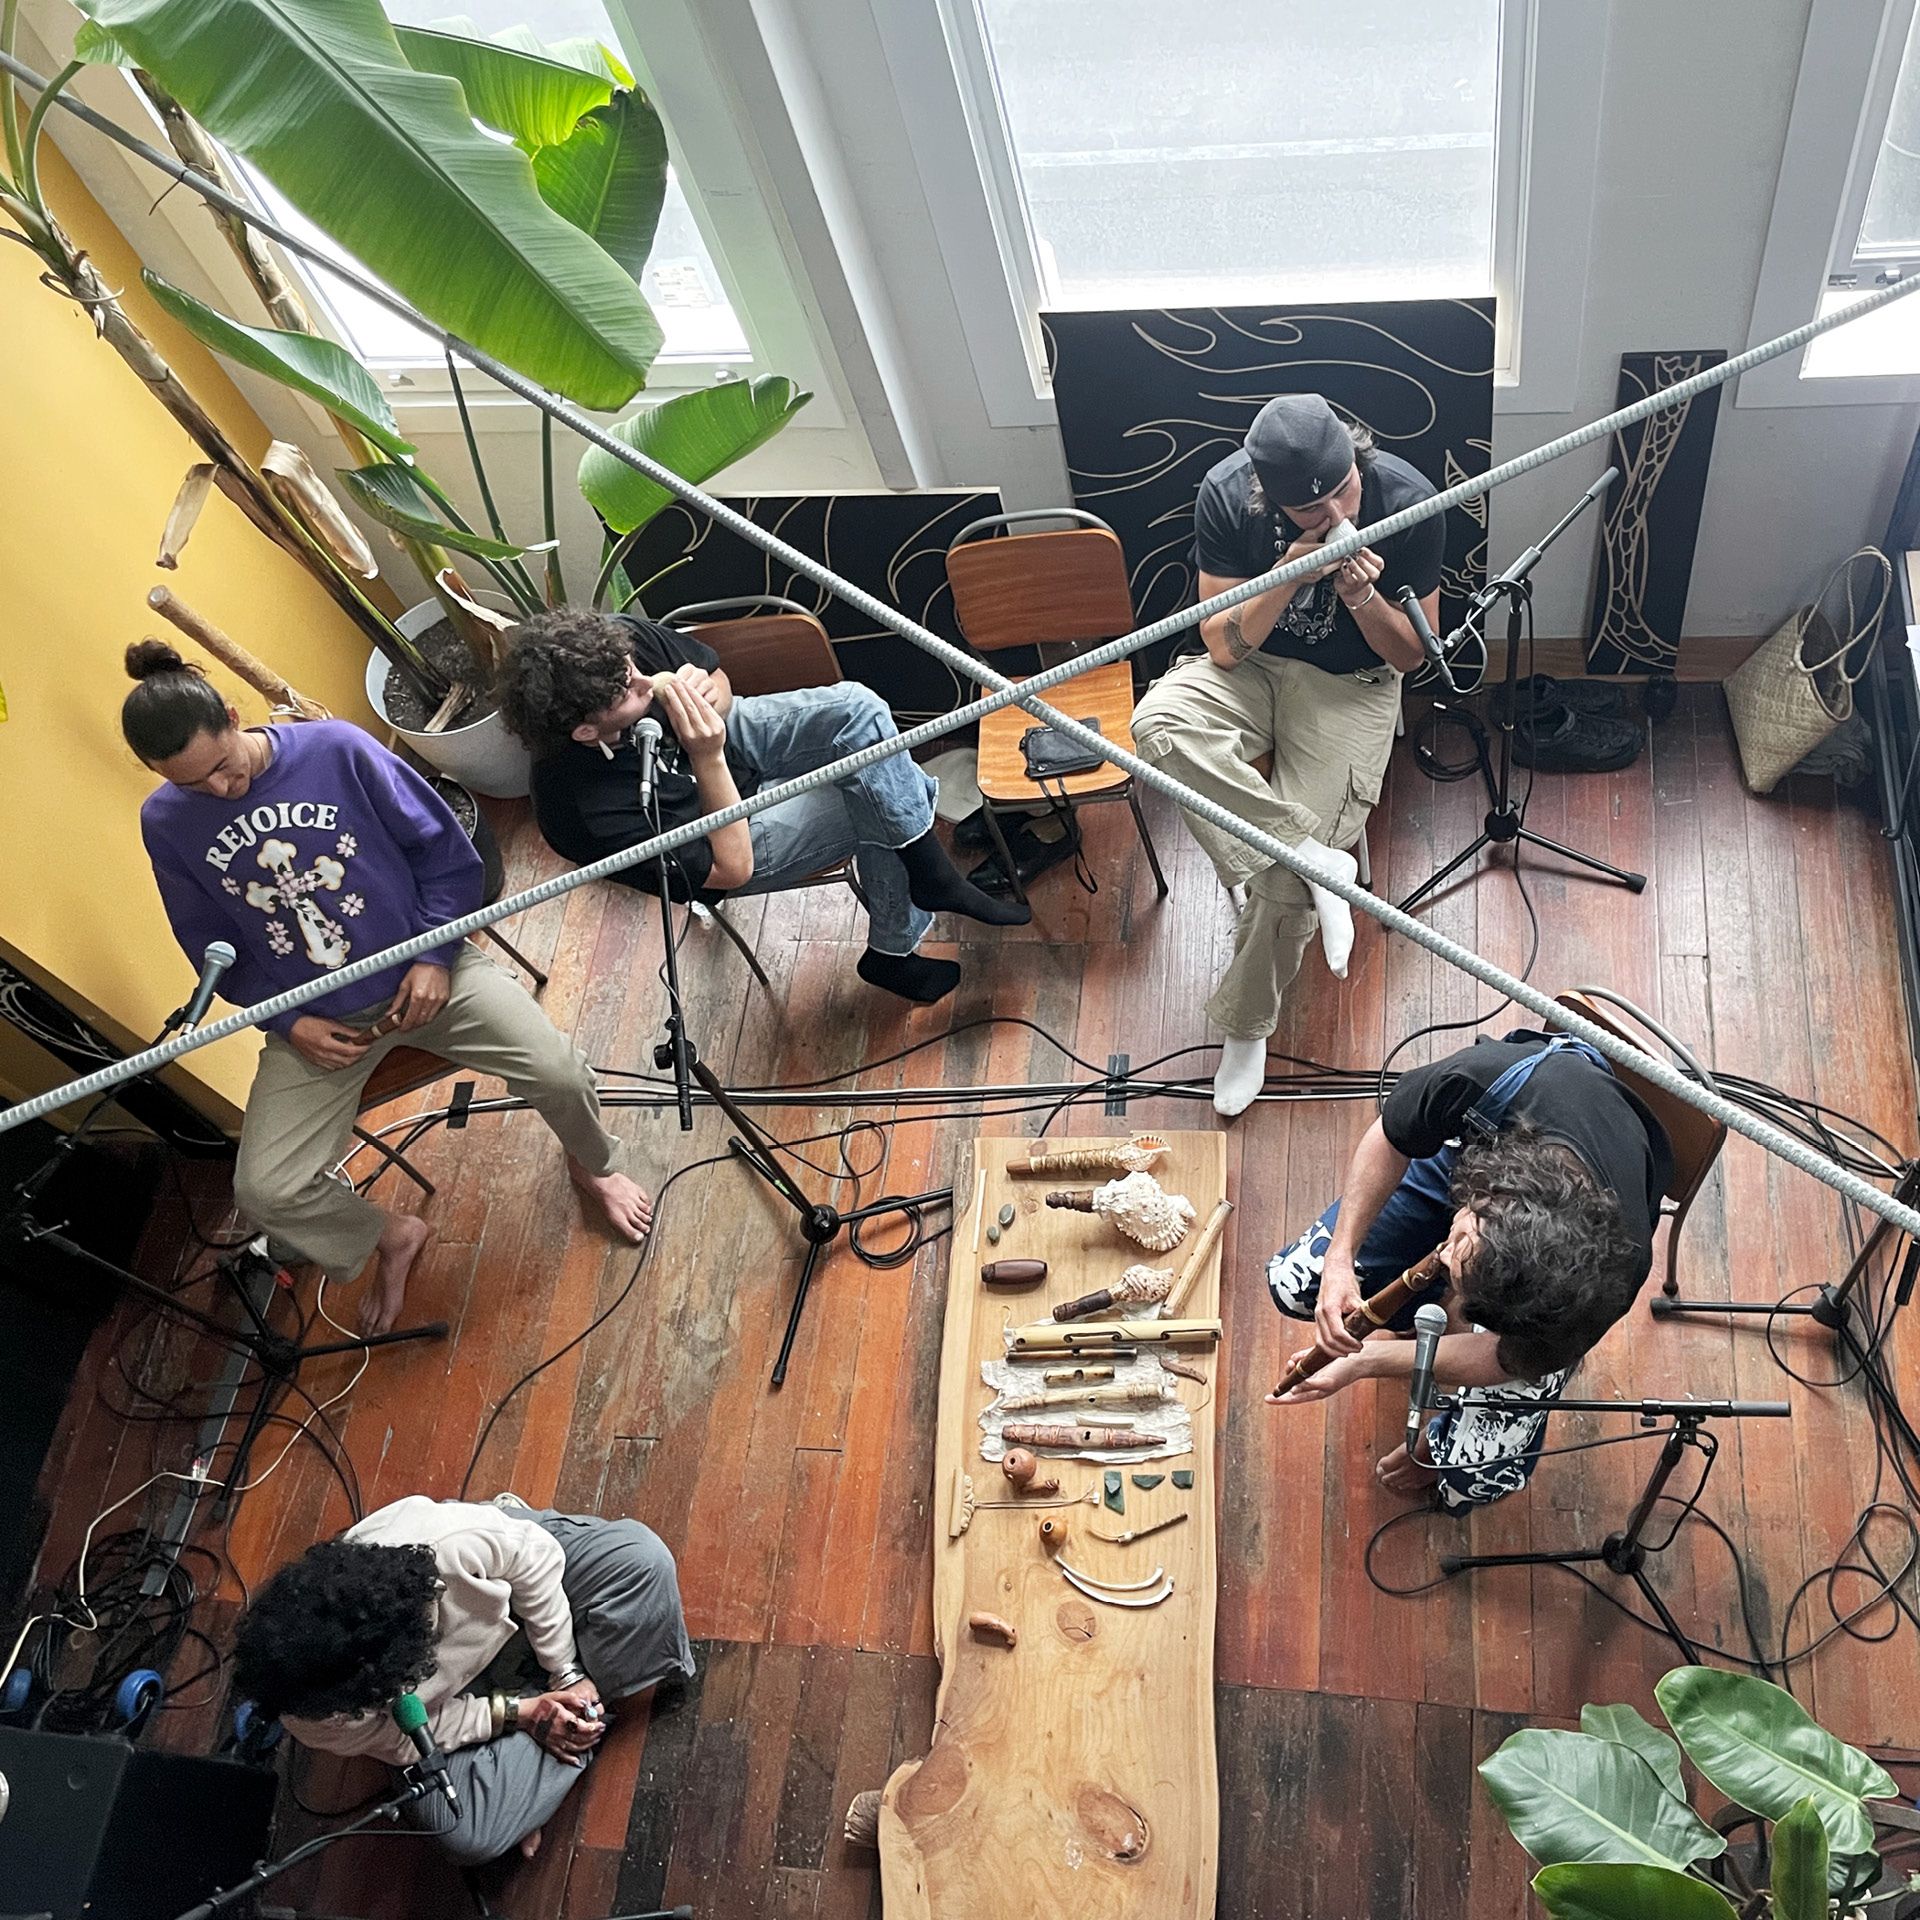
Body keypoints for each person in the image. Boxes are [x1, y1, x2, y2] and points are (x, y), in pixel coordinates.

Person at [123, 641, 652, 1336]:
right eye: (193, 785)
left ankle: (592, 1164)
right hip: (318, 1022)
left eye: (222, 766)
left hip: (431, 975)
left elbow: (446, 854)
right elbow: (211, 944)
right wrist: (288, 1023)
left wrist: (434, 957)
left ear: (231, 714)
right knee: (265, 1189)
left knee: (558, 1071)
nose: (221, 790)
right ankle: (390, 1235)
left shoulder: (336, 750)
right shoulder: (165, 823)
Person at [1131, 394, 1445, 1117]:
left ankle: (1246, 1028)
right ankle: (1313, 856)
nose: (1334, 515)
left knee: (1279, 883)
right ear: (1267, 495)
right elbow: (1221, 646)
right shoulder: (1224, 494)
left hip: (1350, 685)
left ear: (1355, 456)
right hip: (1253, 669)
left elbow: (1411, 658)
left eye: (1345, 491)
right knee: (1158, 726)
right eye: (1310, 508)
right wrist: (1289, 574)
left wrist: (1363, 599)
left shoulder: (1409, 500)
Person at [497, 608, 1029, 1006]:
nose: (643, 681)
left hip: (726, 738)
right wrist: (706, 755)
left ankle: (928, 880)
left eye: (632, 667)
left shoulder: (611, 648)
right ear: (586, 732)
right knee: (879, 792)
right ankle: (895, 948)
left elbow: (720, 681)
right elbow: (731, 869)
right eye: (626, 694)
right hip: (728, 835)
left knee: (861, 712)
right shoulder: (582, 815)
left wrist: (710, 698)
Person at [1264, 1031, 1671, 1509]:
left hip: (1535, 1254)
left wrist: (1362, 1362)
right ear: (1492, 1197)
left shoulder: (1602, 1284)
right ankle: (1415, 1319)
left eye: (1460, 1283)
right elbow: (1391, 1136)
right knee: (1297, 1284)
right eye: (1458, 1245)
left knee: (1473, 1473)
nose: (1440, 1258)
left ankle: (1438, 1430)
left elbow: (1505, 1358)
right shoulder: (1484, 1079)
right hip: (1473, 1155)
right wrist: (1339, 1258)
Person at [231, 1493, 694, 1866]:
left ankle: (548, 1753)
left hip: (510, 1582)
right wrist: (521, 1713)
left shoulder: (446, 1544)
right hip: (463, 1703)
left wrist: (566, 1673)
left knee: (644, 1563)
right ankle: (574, 1720)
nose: (394, 1694)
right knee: (468, 1835)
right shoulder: (311, 1712)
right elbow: (406, 1737)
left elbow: (536, 1561)